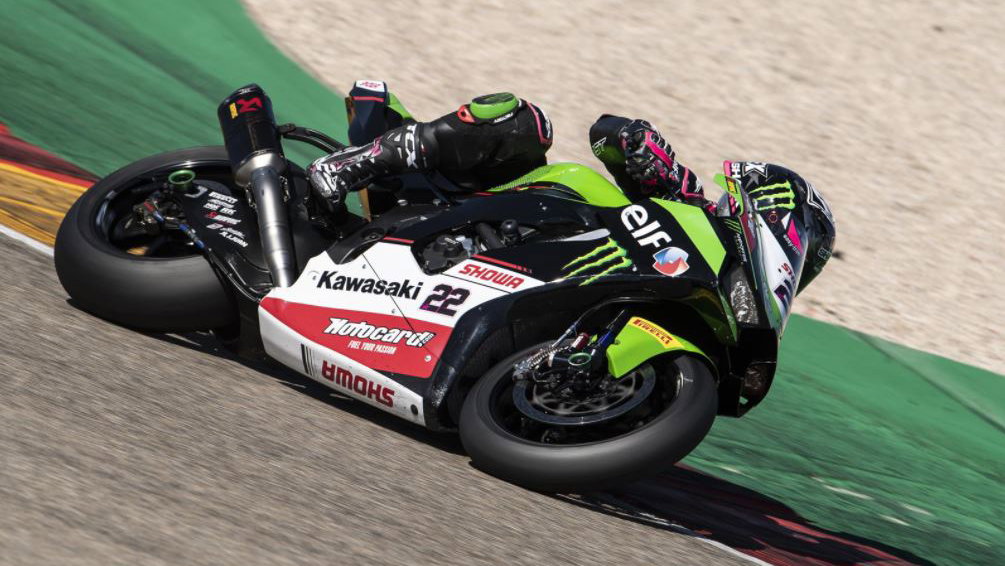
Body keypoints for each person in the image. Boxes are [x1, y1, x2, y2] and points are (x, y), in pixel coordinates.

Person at [309, 80, 835, 290]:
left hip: (527, 285)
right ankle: (355, 163)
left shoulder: (720, 296)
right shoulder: (691, 206)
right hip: (488, 206)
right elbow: (608, 134)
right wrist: (643, 149)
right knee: (523, 122)